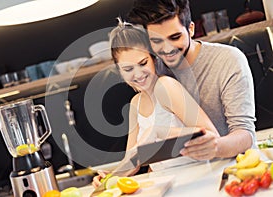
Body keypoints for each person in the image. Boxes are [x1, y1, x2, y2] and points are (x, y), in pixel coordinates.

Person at [92, 18, 220, 188]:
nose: (138, 74)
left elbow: (211, 136)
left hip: (196, 181)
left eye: (142, 63)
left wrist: (159, 132)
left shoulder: (166, 86)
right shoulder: (135, 104)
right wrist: (110, 178)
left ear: (153, 58)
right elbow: (133, 161)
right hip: (162, 186)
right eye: (128, 69)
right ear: (119, 71)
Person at [127, 0, 256, 160]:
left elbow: (245, 133)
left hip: (234, 167)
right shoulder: (154, 69)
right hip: (187, 174)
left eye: (175, 37)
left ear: (191, 29)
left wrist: (216, 147)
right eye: (157, 41)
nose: (167, 49)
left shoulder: (228, 59)